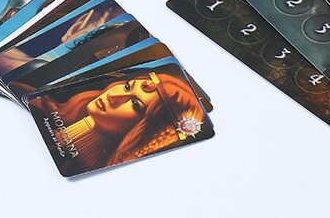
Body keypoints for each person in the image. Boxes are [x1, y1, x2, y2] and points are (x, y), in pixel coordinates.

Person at [30, 68, 205, 173]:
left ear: (144, 131)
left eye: (135, 104)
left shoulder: (83, 171)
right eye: (127, 86)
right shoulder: (40, 105)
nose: (114, 96)